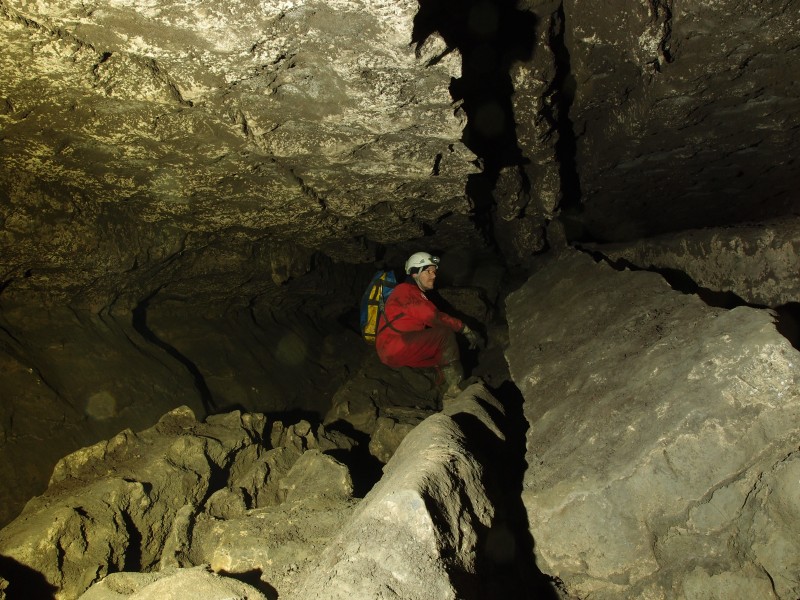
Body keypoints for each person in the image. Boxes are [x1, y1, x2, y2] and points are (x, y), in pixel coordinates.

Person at [375, 251, 480, 398]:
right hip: (396, 345)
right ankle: (455, 388)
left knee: (439, 358)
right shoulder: (407, 291)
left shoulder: (405, 292)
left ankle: (432, 383)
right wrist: (464, 328)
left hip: (390, 350)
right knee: (444, 335)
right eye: (428, 271)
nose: (434, 275)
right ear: (414, 274)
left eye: (434, 271)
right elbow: (434, 317)